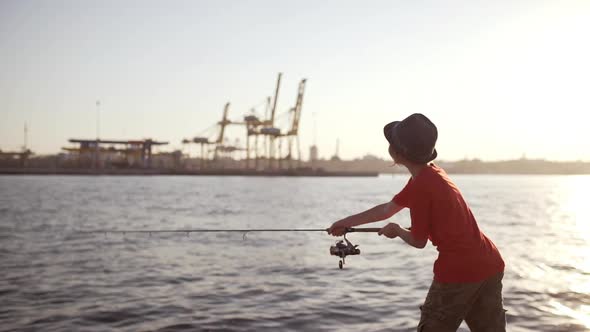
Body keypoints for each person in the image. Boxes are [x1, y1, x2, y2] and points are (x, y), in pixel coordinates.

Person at [327, 113, 506, 331]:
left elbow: (418, 241)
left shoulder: (421, 186)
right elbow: (387, 209)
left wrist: (398, 230)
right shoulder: (431, 173)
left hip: (458, 271)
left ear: (398, 153)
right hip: (490, 263)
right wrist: (344, 222)